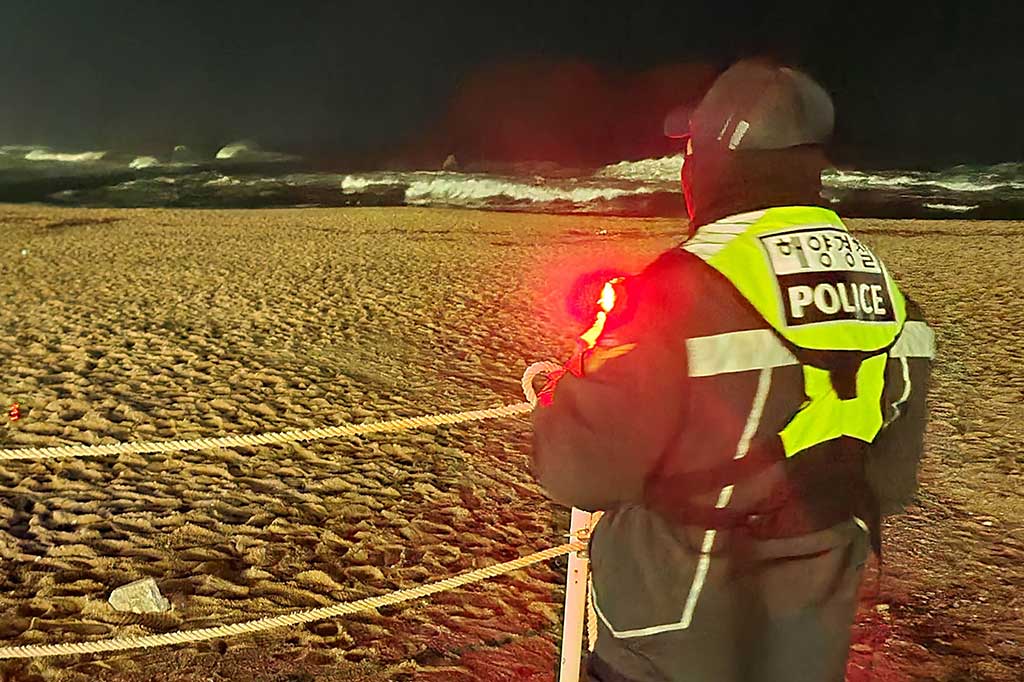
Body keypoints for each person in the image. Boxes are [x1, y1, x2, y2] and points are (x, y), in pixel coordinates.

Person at [531, 58, 934, 682]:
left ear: (714, 163)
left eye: (691, 152)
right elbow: (890, 480)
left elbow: (575, 471)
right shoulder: (896, 303)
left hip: (666, 643)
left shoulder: (671, 294)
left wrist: (579, 371)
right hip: (810, 640)